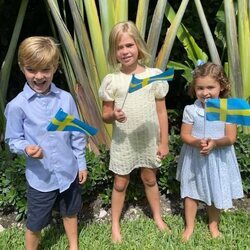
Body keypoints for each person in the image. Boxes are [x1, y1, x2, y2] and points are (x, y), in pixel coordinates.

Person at [4, 36, 87, 250]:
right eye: (32, 70)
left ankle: (73, 246)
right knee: (36, 222)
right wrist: (26, 148)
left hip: (68, 172)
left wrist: (81, 162)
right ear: (22, 67)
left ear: (55, 67)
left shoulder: (66, 99)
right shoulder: (17, 106)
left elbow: (76, 133)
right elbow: (12, 140)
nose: (39, 76)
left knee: (70, 211)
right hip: (41, 178)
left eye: (45, 70)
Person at [99, 21, 171, 243]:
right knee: (120, 183)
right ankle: (115, 226)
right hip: (124, 141)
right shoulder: (113, 81)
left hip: (148, 138)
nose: (125, 51)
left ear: (138, 46)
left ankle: (158, 218)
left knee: (149, 178)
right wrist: (114, 116)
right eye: (120, 47)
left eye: (129, 45)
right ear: (114, 52)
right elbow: (105, 115)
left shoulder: (154, 76)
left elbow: (161, 113)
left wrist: (164, 142)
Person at [176, 62, 244, 241]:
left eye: (210, 87)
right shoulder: (191, 110)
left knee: (215, 192)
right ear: (194, 88)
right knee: (191, 192)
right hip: (195, 158)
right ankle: (189, 226)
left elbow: (230, 138)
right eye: (200, 88)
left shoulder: (227, 109)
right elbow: (184, 135)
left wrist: (214, 143)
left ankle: (213, 225)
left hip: (217, 158)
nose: (205, 92)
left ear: (221, 86)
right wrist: (198, 142)